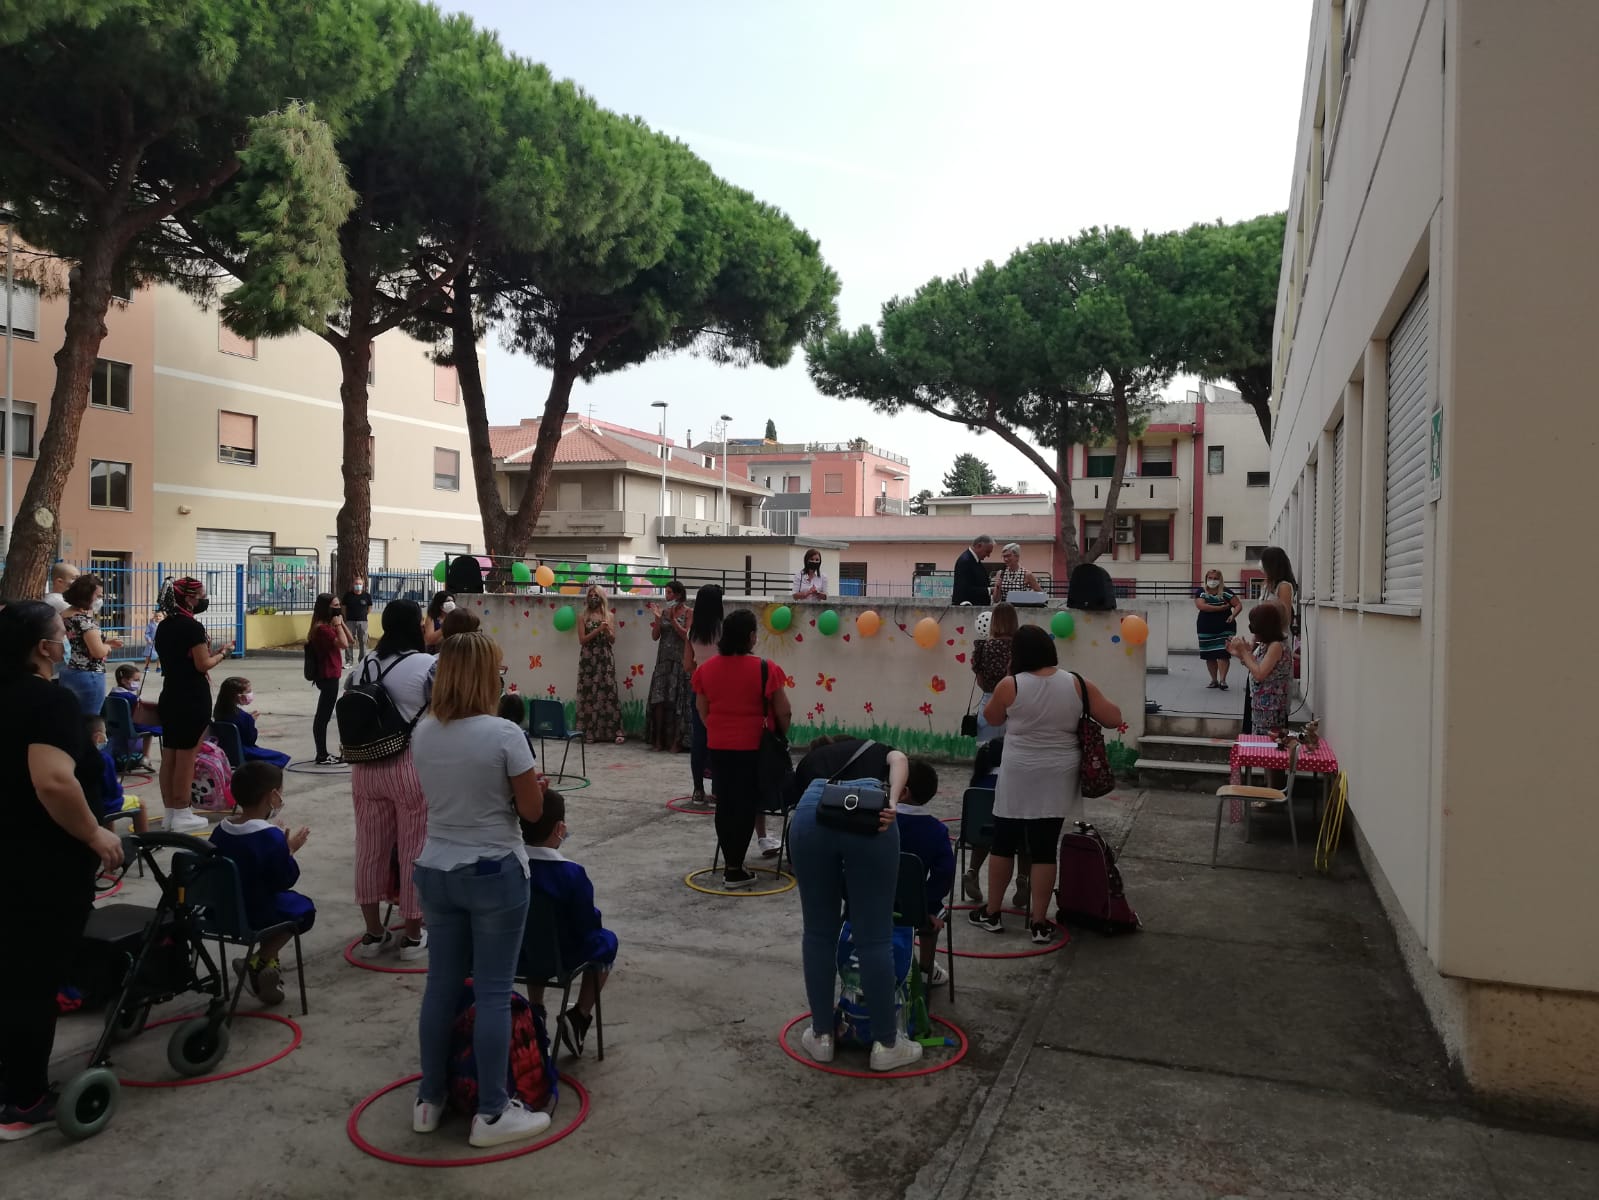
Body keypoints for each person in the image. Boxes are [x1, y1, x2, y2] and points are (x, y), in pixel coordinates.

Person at [409, 631, 548, 1149]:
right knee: (492, 990)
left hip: (436, 868)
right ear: (487, 677)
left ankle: (430, 1098)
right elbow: (533, 813)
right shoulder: (505, 734)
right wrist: (525, 792)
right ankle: (492, 1112)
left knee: (441, 985)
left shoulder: (424, 732)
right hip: (494, 870)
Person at [0, 601, 123, 1141]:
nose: (67, 640)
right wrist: (94, 833)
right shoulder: (46, 700)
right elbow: (53, 781)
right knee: (32, 977)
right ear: (44, 648)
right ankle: (22, 1100)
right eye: (60, 635)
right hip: (39, 860)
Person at [973, 625, 1122, 944]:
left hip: (1018, 774)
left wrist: (1009, 679)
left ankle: (993, 913)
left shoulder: (1010, 685)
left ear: (1020, 655)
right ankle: (1040, 922)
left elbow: (992, 718)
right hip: (1059, 775)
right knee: (1044, 849)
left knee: (1003, 842)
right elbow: (1113, 717)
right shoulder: (1078, 683)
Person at [787, 733, 921, 1071]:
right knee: (874, 936)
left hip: (810, 813)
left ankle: (821, 1037)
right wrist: (891, 802)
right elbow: (901, 759)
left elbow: (795, 802)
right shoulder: (878, 748)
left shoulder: (812, 763)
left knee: (818, 933)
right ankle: (886, 1044)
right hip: (870, 813)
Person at [349, 600, 433, 961]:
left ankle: (373, 932)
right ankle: (412, 936)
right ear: (416, 625)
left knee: (369, 848)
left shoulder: (360, 667)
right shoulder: (428, 665)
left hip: (364, 767)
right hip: (409, 766)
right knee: (414, 848)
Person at [691, 608, 791, 889]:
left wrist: (720, 729)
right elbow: (784, 711)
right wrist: (780, 735)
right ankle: (735, 869)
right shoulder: (766, 668)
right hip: (754, 748)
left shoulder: (705, 669)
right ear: (750, 637)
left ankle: (731, 864)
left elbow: (702, 710)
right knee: (746, 804)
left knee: (725, 803)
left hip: (720, 746)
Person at [521, 790, 616, 1057]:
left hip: (517, 956)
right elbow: (587, 926)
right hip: (561, 958)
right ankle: (580, 1014)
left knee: (533, 933)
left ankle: (535, 1008)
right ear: (560, 828)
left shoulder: (509, 867)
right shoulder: (571, 874)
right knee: (606, 940)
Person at [210, 761, 314, 1006]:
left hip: (220, 911)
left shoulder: (221, 830)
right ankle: (257, 962)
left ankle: (269, 968)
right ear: (273, 796)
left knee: (279, 902)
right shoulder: (270, 837)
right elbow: (284, 879)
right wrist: (288, 850)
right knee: (303, 908)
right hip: (254, 914)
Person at [154, 577, 233, 834]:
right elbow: (202, 664)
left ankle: (170, 812)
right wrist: (222, 653)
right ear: (189, 598)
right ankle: (182, 811)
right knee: (187, 757)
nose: (203, 599)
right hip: (192, 696)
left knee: (170, 755)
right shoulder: (192, 627)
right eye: (200, 595)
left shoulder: (164, 626)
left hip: (170, 694)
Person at [960, 735, 1028, 907]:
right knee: (1027, 836)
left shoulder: (977, 784)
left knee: (985, 834)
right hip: (1012, 837)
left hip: (979, 834)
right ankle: (1023, 878)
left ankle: (972, 871)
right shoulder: (1016, 782)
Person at [1244, 547, 1299, 734]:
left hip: (1275, 639)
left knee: (1271, 683)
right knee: (1256, 684)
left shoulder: (1283, 586)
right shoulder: (1266, 585)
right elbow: (1262, 619)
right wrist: (1251, 645)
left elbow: (1282, 616)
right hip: (1264, 639)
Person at [682, 584, 723, 806]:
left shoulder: (692, 632)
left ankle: (698, 790)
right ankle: (717, 790)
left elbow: (687, 664)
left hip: (699, 689)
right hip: (722, 692)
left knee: (699, 740)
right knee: (719, 740)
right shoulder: (724, 631)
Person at [59, 573, 122, 714]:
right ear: (85, 595)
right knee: (90, 720)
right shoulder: (85, 621)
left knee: (71, 715)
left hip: (70, 670)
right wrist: (107, 646)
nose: (100, 600)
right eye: (98, 596)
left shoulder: (65, 615)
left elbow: (78, 639)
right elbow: (98, 652)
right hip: (89, 674)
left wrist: (104, 641)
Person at [1230, 602, 1292, 739]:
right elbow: (1257, 664)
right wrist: (1241, 653)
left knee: (1267, 745)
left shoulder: (1276, 646)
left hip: (1271, 709)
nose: (1253, 632)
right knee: (1257, 742)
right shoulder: (1267, 643)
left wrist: (1244, 653)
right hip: (1260, 705)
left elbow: (1259, 674)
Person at [643, 580, 692, 753]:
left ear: (679, 595)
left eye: (670, 592)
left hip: (679, 663)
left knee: (677, 702)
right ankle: (658, 740)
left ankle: (676, 742)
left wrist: (673, 621)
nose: (667, 596)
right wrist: (658, 619)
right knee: (659, 702)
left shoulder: (688, 612)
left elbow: (687, 635)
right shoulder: (663, 612)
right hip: (663, 663)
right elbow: (655, 636)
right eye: (666, 592)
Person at [576, 586, 624, 745]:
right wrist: (598, 630)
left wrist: (607, 631)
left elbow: (613, 640)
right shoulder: (582, 616)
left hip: (605, 657)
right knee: (589, 693)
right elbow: (582, 640)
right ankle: (589, 731)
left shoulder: (609, 616)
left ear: (601, 597)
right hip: (589, 658)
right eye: (590, 595)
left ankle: (614, 730)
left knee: (609, 691)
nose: (593, 598)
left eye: (596, 595)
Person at [307, 593, 351, 765]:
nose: (337, 608)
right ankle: (322, 754)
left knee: (324, 713)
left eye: (339, 605)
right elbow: (344, 644)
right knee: (323, 715)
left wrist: (341, 623)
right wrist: (338, 626)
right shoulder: (322, 629)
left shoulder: (329, 625)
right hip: (327, 674)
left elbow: (351, 640)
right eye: (334, 606)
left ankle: (323, 753)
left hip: (333, 673)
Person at [86, 714, 147, 833]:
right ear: (98, 737)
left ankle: (110, 835)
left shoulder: (74, 757)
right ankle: (145, 844)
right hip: (103, 805)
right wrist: (118, 787)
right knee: (141, 804)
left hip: (84, 805)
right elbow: (113, 791)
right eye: (105, 734)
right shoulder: (103, 758)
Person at [213, 676, 291, 769]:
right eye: (248, 692)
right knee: (281, 757)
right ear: (238, 696)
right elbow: (250, 740)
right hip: (242, 751)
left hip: (223, 749)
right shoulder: (244, 717)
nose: (250, 694)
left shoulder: (219, 712)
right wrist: (251, 721)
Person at [970, 602, 1019, 747]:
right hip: (1014, 705)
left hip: (988, 703)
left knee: (986, 755)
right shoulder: (1019, 646)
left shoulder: (983, 647)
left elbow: (980, 681)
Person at [1195, 570, 1243, 690]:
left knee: (1223, 653)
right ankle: (1214, 680)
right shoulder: (1201, 592)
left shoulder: (1226, 592)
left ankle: (1223, 680)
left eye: (1215, 578)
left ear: (1220, 579)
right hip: (1206, 627)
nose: (1212, 580)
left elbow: (1238, 605)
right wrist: (1221, 607)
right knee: (1209, 654)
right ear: (1206, 578)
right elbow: (1202, 606)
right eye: (1210, 578)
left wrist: (1233, 615)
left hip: (1225, 627)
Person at [109, 663, 157, 770]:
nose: (138, 683)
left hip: (116, 727)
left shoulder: (112, 694)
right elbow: (140, 712)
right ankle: (146, 757)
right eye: (135, 680)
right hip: (131, 727)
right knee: (153, 727)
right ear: (124, 681)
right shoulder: (129, 697)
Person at [951, 534, 995, 606]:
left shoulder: (974, 561)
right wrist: (989, 590)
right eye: (987, 552)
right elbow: (964, 589)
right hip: (968, 609)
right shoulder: (965, 561)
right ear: (979, 546)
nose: (988, 555)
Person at [341, 576, 373, 664]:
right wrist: (345, 617)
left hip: (363, 622)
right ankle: (349, 661)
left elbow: (370, 607)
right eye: (356, 584)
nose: (358, 585)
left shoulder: (367, 596)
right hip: (350, 621)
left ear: (363, 585)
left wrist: (364, 614)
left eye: (360, 584)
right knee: (349, 640)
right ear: (353, 584)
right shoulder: (348, 595)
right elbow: (344, 607)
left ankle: (362, 661)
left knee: (363, 641)